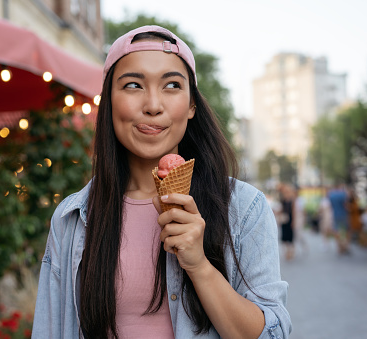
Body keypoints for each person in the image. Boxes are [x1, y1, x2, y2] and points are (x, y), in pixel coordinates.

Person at [32, 25, 291, 338]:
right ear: (110, 102)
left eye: (171, 85)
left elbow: (272, 334)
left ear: (192, 105)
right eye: (132, 85)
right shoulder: (71, 219)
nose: (153, 105)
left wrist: (199, 266)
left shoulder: (244, 208)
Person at [327, 184, 350, 254]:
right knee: (346, 230)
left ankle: (339, 246)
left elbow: (330, 205)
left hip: (335, 214)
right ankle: (345, 245)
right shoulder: (343, 194)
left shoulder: (331, 195)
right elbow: (346, 204)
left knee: (336, 230)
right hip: (343, 214)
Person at [278, 184, 295, 260]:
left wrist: (293, 221)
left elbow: (294, 212)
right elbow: (281, 210)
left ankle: (290, 252)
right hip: (284, 220)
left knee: (290, 237)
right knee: (284, 238)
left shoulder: (292, 200)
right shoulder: (283, 200)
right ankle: (287, 252)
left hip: (290, 220)